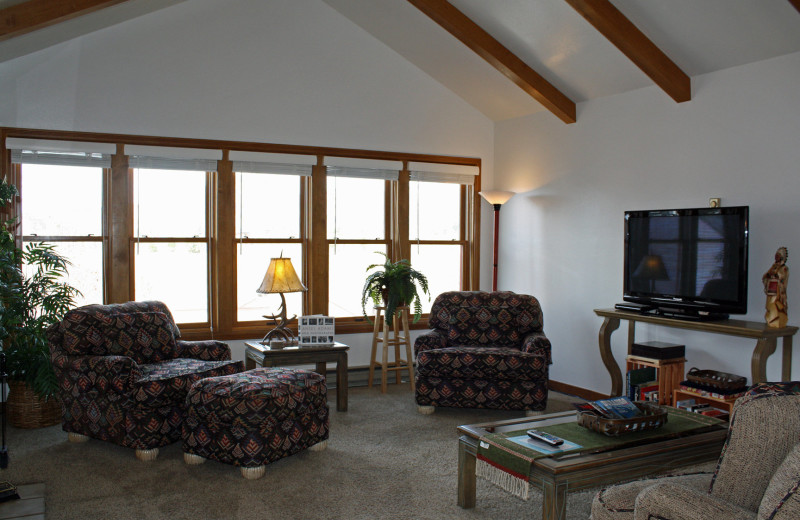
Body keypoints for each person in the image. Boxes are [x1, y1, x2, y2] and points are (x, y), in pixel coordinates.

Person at [763, 247, 789, 328]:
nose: (776, 257)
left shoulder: (784, 268)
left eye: (777, 256)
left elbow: (782, 277)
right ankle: (770, 318)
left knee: (775, 304)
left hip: (777, 291)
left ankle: (776, 319)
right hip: (770, 289)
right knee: (768, 305)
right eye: (775, 255)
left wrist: (776, 276)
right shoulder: (773, 266)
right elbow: (766, 275)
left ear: (781, 257)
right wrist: (768, 275)